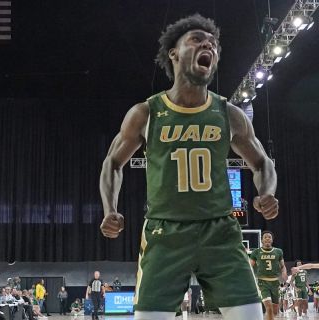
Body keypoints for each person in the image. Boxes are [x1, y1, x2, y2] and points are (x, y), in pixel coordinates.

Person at [99, 14, 278, 320]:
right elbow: (113, 163)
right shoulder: (147, 112)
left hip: (220, 230)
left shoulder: (229, 113)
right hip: (164, 231)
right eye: (197, 39)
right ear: (174, 52)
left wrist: (266, 192)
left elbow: (262, 162)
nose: (208, 44)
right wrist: (109, 209)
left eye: (214, 44)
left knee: (252, 316)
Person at [249, 231, 287, 320]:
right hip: (263, 283)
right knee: (269, 307)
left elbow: (283, 266)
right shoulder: (256, 252)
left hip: (275, 282)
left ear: (272, 240)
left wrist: (284, 272)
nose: (267, 238)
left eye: (269, 237)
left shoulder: (278, 251)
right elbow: (250, 267)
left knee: (274, 311)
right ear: (262, 240)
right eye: (265, 237)